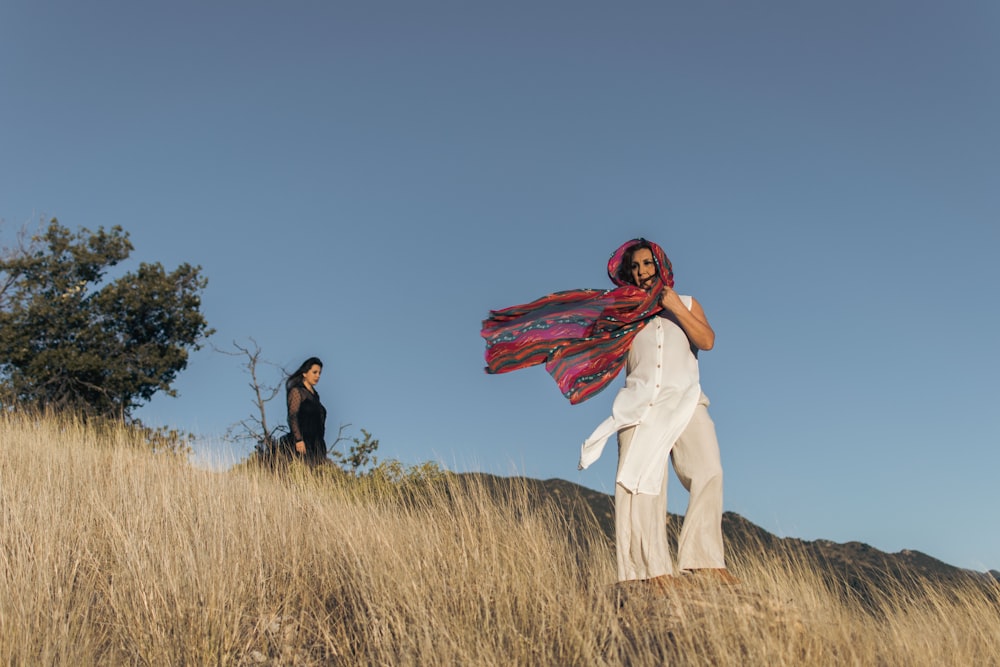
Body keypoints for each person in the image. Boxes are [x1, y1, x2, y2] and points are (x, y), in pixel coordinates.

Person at [481, 238, 735, 587]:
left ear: (660, 265)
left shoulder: (688, 302)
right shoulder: (621, 313)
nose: (643, 271)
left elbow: (707, 341)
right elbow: (584, 335)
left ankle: (705, 560)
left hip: (687, 401)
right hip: (639, 406)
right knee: (639, 484)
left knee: (709, 470)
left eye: (648, 264)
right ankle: (649, 572)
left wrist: (674, 305)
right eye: (636, 267)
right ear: (628, 274)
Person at [285, 356, 328, 465]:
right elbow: (292, 416)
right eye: (314, 372)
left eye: (319, 373)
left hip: (317, 445)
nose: (318, 376)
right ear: (304, 373)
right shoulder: (297, 391)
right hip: (302, 443)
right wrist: (299, 440)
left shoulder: (315, 396)